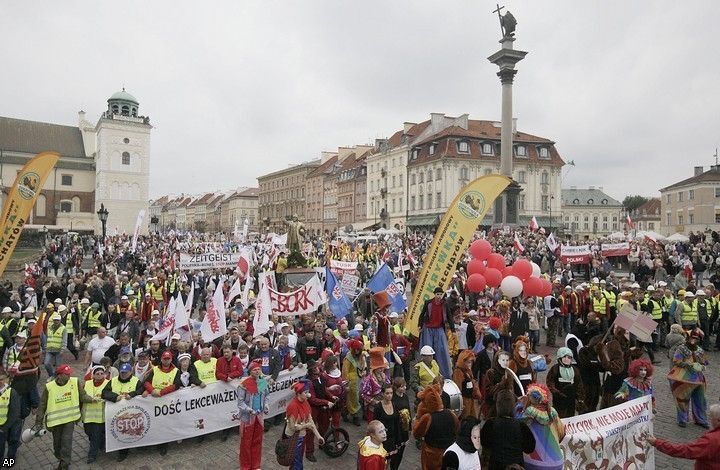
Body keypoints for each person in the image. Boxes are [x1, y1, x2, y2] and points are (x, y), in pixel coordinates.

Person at [35, 364, 96, 470]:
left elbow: (82, 396)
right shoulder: (49, 387)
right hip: (55, 421)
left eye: (69, 373)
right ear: (59, 375)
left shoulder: (75, 382)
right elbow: (42, 405)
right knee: (57, 445)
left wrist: (91, 399)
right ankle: (61, 458)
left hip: (70, 420)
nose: (69, 375)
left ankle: (64, 465)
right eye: (66, 374)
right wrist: (38, 422)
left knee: (66, 443)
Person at [647, 403, 720, 470]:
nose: (710, 421)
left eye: (711, 418)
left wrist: (657, 443)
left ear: (718, 420)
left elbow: (685, 451)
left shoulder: (711, 440)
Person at [481, 389, 535, 470]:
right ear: (513, 406)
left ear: (498, 406)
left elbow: (484, 443)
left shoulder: (490, 424)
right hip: (516, 466)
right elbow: (530, 448)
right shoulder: (521, 426)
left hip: (496, 466)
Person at [516, 383, 565, 470]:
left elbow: (516, 422)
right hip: (557, 461)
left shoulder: (529, 412)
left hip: (535, 462)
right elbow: (562, 433)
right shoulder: (552, 412)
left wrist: (520, 405)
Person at [101, 360, 142, 462]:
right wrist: (115, 397)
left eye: (125, 372)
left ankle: (133, 448)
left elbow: (141, 390)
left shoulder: (136, 381)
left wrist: (132, 394)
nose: (123, 374)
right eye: (122, 372)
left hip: (132, 414)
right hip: (117, 414)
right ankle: (121, 451)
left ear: (130, 372)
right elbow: (104, 393)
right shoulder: (113, 380)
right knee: (120, 432)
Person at [668, 328, 709, 428]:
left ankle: (701, 420)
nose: (694, 340)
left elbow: (705, 362)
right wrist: (688, 364)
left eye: (697, 338)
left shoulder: (700, 350)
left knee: (701, 399)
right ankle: (682, 419)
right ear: (688, 338)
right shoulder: (681, 348)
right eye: (692, 338)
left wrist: (702, 365)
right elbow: (676, 360)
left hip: (698, 378)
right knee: (682, 399)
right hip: (683, 378)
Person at [413, 382, 459, 470]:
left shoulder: (428, 417)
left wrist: (416, 421)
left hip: (432, 454)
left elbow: (417, 433)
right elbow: (457, 428)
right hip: (449, 451)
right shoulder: (451, 413)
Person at [284, 380, 324, 470]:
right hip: (293, 438)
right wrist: (306, 426)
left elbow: (311, 421)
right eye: (306, 392)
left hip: (301, 436)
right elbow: (292, 427)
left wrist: (318, 436)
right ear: (299, 394)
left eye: (308, 392)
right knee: (297, 461)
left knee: (298, 459)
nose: (308, 394)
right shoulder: (293, 406)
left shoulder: (305, 403)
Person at [237, 360, 269, 470]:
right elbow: (240, 403)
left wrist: (266, 405)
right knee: (246, 443)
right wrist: (249, 410)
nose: (257, 371)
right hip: (248, 418)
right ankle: (245, 466)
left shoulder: (262, 382)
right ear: (250, 371)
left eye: (259, 369)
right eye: (254, 369)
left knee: (257, 441)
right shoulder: (244, 385)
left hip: (259, 417)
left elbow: (266, 396)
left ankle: (255, 465)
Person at [418, 287, 454, 379]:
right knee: (427, 349)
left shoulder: (444, 304)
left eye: (440, 294)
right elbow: (422, 314)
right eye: (437, 294)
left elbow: (449, 317)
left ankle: (444, 374)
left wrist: (453, 330)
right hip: (428, 329)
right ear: (434, 294)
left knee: (442, 350)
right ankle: (425, 373)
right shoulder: (428, 303)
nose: (439, 296)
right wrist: (420, 325)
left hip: (439, 328)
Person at [545, 347, 585, 418]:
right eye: (564, 357)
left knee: (570, 416)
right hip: (559, 399)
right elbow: (550, 382)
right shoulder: (555, 369)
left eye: (569, 357)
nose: (567, 359)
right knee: (558, 417)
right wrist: (556, 392)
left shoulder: (575, 370)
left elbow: (579, 384)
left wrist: (580, 398)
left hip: (571, 399)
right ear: (560, 358)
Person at [81, 365, 109, 464]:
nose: (100, 375)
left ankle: (92, 455)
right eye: (97, 374)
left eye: (102, 373)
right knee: (88, 433)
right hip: (87, 415)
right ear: (93, 375)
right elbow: (82, 396)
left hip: (99, 416)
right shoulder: (87, 384)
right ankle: (102, 442)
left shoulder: (108, 383)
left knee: (95, 436)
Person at [373, 384, 402, 470]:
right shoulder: (378, 407)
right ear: (382, 394)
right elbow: (375, 424)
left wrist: (398, 439)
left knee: (388, 461)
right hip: (381, 439)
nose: (390, 395)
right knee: (381, 461)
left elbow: (397, 422)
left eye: (391, 393)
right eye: (387, 393)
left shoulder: (394, 405)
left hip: (391, 438)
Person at [342, 339, 367, 425]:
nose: (357, 351)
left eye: (359, 350)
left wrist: (364, 371)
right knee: (353, 399)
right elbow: (345, 372)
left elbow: (363, 367)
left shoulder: (361, 356)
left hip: (360, 380)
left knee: (359, 398)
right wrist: (346, 384)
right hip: (352, 382)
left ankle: (346, 412)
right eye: (355, 349)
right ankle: (355, 416)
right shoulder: (348, 358)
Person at [452, 349, 481, 419]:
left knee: (472, 419)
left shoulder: (468, 371)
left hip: (471, 399)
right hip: (464, 400)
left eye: (471, 362)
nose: (470, 364)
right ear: (463, 361)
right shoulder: (458, 372)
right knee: (466, 420)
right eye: (468, 362)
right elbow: (458, 389)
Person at [0, 371, 21, 461]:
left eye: (1, 379)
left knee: (12, 440)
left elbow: (14, 413)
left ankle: (10, 460)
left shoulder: (11, 392)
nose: (0, 381)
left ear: (6, 380)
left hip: (8, 425)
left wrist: (5, 427)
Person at [391, 377, 411, 470]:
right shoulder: (393, 399)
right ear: (396, 387)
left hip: (404, 428)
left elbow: (409, 411)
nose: (404, 388)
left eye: (405, 386)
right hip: (396, 428)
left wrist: (409, 427)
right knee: (395, 452)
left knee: (401, 452)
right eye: (402, 386)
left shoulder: (405, 396)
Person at [44, 313, 67, 377]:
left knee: (58, 366)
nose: (56, 321)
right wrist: (45, 346)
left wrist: (63, 349)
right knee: (46, 363)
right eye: (55, 320)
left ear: (60, 320)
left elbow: (64, 340)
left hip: (58, 350)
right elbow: (47, 337)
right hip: (49, 349)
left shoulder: (63, 328)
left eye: (57, 320)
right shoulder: (50, 328)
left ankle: (56, 378)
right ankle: (51, 375)